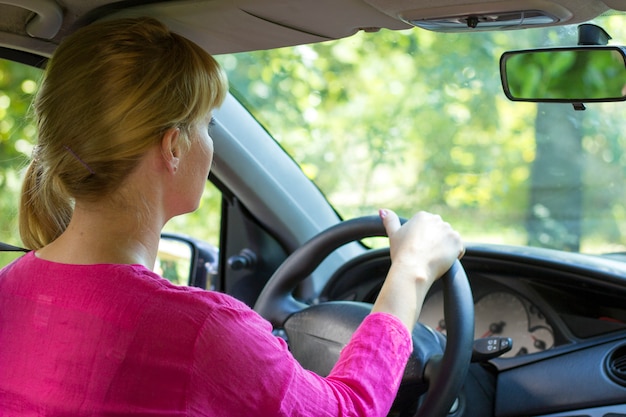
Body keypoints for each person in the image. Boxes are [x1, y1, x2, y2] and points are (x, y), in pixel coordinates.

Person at [0, 17, 464, 416]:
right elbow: (350, 409)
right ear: (174, 147)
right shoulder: (200, 331)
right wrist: (412, 270)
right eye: (208, 125)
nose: (210, 142)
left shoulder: (9, 288)